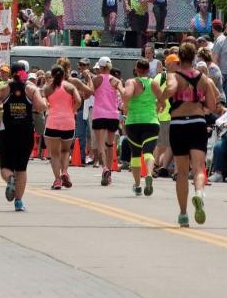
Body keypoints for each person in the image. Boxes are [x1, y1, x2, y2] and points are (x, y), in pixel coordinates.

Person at [165, 40, 219, 227]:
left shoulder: (174, 76)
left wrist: (163, 94)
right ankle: (198, 193)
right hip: (197, 123)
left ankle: (183, 214)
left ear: (179, 57)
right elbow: (213, 105)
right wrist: (200, 106)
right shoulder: (204, 79)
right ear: (194, 57)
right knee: (198, 168)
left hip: (178, 124)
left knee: (181, 172)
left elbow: (170, 89)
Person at [0, 60, 45, 211]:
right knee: (21, 169)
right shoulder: (31, 89)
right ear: (24, 73)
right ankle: (19, 202)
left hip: (8, 132)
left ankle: (10, 179)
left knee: (6, 166)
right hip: (25, 132)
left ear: (11, 74)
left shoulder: (4, 88)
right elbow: (40, 107)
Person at [121, 59, 163, 196]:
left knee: (135, 154)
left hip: (134, 122)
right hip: (151, 121)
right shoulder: (153, 83)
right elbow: (162, 100)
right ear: (148, 70)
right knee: (148, 152)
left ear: (136, 69)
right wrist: (157, 109)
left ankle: (138, 184)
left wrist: (125, 107)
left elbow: (126, 95)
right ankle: (149, 174)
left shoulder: (131, 82)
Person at [42, 63, 79, 190]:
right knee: (65, 151)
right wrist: (72, 110)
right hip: (68, 123)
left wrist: (49, 108)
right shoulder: (70, 87)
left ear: (51, 75)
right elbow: (79, 101)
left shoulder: (47, 88)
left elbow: (43, 103)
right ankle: (64, 172)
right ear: (64, 74)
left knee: (54, 154)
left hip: (53, 123)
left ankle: (57, 180)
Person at [90, 56, 123, 184]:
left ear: (100, 67)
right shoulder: (116, 80)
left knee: (100, 145)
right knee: (110, 145)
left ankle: (104, 168)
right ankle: (109, 171)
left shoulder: (96, 79)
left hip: (99, 114)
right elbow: (122, 92)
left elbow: (89, 92)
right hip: (113, 115)